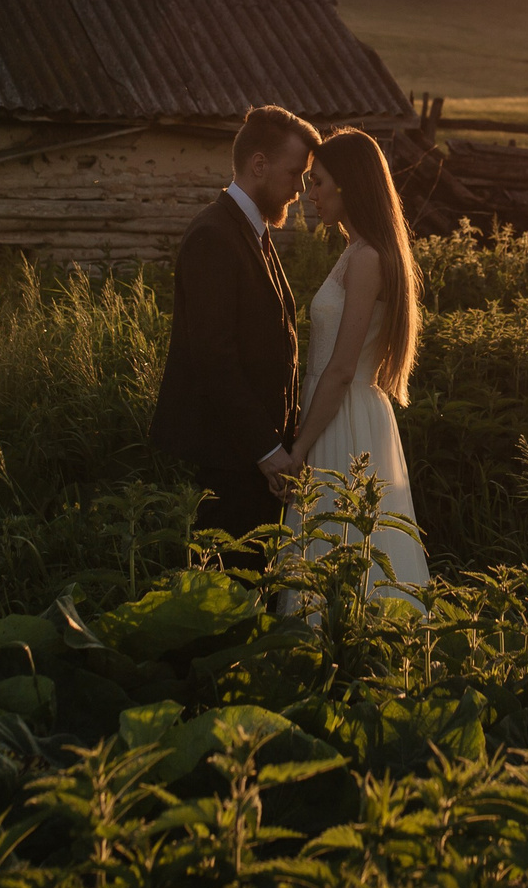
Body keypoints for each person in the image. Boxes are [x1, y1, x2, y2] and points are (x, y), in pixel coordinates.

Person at [151, 105, 320, 542]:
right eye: (294, 173)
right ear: (259, 164)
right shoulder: (214, 235)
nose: (299, 189)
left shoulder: (252, 232)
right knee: (228, 591)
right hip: (228, 459)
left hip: (255, 458)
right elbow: (214, 357)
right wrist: (267, 451)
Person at [280, 126, 429, 600]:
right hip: (339, 410)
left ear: (347, 184)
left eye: (319, 182)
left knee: (341, 552)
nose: (310, 194)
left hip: (343, 418)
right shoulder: (355, 252)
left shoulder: (366, 259)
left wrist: (299, 447)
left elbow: (342, 368)